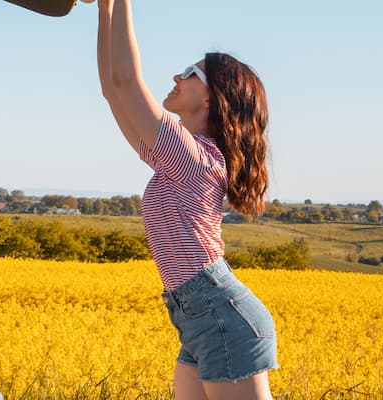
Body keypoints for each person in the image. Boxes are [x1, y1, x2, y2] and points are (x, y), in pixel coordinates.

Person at [88, 0, 278, 398]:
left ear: (210, 99)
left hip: (220, 315)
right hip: (198, 315)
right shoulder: (180, 156)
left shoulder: (195, 159)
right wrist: (104, 9)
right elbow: (111, 90)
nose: (176, 75)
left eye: (191, 73)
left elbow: (126, 82)